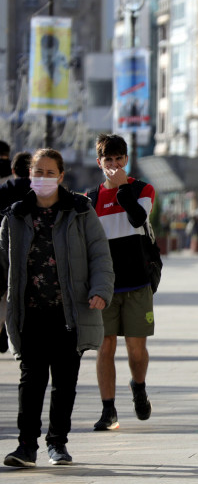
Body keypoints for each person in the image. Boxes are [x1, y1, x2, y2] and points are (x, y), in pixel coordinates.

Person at [1, 148, 114, 468]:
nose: (44, 179)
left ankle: (57, 443)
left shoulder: (80, 210)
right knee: (31, 380)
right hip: (30, 312)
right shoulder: (16, 215)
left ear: (62, 176)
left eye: (50, 173)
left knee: (65, 381)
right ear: (29, 176)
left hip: (70, 312)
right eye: (38, 173)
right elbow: (2, 265)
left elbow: (100, 255)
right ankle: (26, 446)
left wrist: (100, 290)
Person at [91, 134, 156, 430]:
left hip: (137, 282)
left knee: (136, 349)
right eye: (109, 160)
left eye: (119, 159)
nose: (114, 165)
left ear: (126, 160)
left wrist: (122, 189)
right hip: (104, 286)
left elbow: (137, 218)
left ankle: (138, 386)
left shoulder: (143, 189)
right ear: (99, 163)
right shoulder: (90, 199)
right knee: (105, 347)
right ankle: (108, 410)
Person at [0, 151, 31, 354]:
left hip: (3, 251)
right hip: (31, 253)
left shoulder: (3, 190)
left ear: (13, 170)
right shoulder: (38, 192)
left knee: (4, 298)